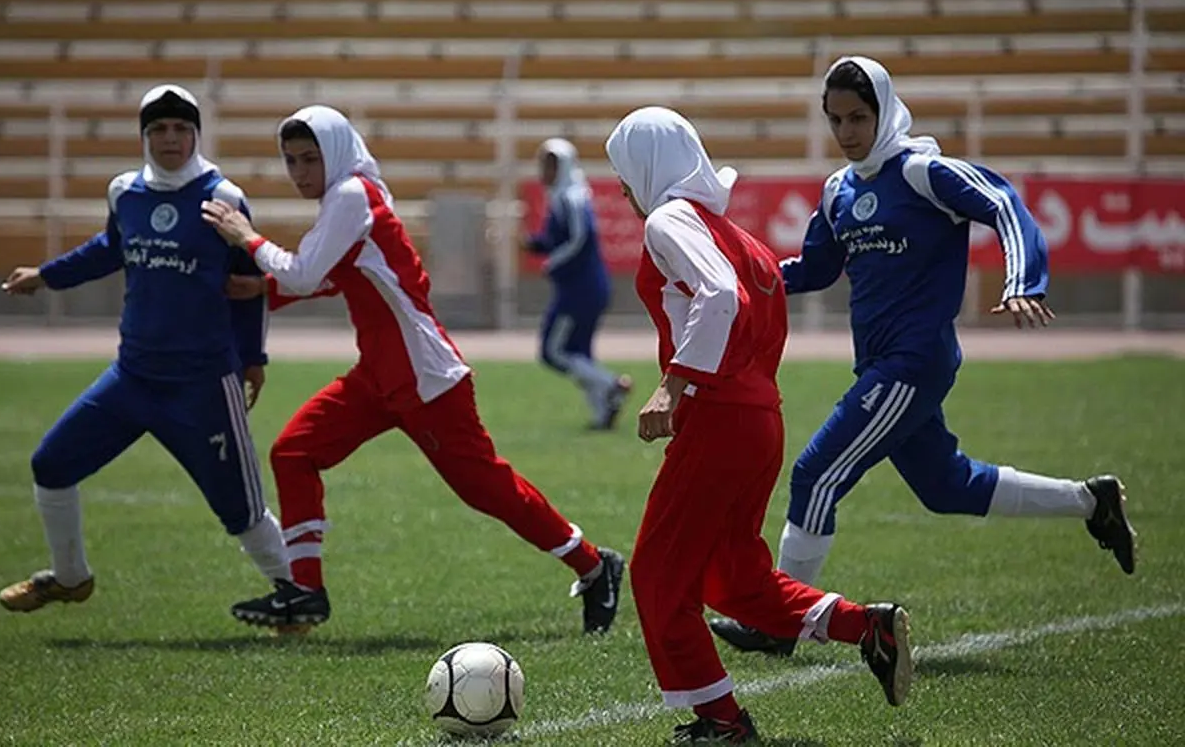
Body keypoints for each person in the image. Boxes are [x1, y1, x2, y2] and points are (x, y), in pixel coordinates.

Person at [709, 56, 1137, 657]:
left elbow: (1005, 204)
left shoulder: (920, 172)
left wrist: (1024, 278)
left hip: (914, 363)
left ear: (884, 110)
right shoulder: (838, 191)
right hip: (882, 367)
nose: (847, 132)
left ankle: (780, 621)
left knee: (815, 473)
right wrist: (740, 278)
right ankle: (1093, 501)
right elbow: (813, 270)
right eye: (835, 120)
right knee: (946, 486)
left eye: (859, 117)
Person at [203, 106, 625, 634]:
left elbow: (309, 274)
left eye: (310, 158)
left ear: (334, 154)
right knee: (294, 452)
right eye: (291, 161)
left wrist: (248, 238)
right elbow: (345, 276)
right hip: (380, 374)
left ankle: (594, 565)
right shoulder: (350, 195)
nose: (300, 171)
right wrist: (263, 287)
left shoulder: (350, 195)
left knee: (485, 488)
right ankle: (305, 592)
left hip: (424, 377)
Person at [605, 106, 913, 745]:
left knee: (658, 575)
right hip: (758, 421)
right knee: (729, 578)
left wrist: (673, 385)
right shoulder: (734, 233)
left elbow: (721, 298)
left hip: (718, 421)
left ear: (646, 167)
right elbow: (757, 311)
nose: (622, 190)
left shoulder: (669, 220)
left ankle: (721, 722)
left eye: (623, 174)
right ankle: (868, 627)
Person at [0, 85, 291, 615]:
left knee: (240, 509)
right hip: (132, 378)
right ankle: (70, 577)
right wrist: (47, 276)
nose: (170, 138)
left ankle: (293, 596)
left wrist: (254, 359)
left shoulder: (223, 197)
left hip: (203, 384)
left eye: (181, 128)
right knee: (51, 464)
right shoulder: (125, 192)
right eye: (158, 129)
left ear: (196, 134)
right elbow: (109, 248)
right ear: (144, 136)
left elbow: (248, 284)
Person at [526, 138, 631, 430]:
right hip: (582, 286)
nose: (545, 170)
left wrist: (553, 261)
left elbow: (579, 239)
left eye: (551, 164)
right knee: (579, 354)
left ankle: (611, 384)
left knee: (553, 352)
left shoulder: (571, 197)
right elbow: (555, 240)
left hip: (580, 288)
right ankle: (602, 414)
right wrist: (534, 245)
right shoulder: (563, 196)